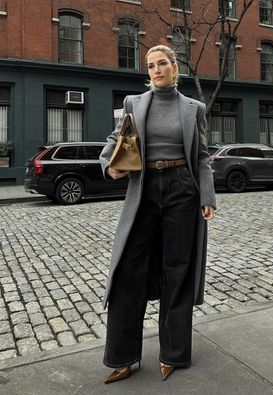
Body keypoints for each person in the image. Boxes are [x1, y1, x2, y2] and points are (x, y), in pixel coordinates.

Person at [99, 44, 216, 384]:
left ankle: (174, 353)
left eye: (162, 63)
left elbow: (203, 156)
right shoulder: (133, 103)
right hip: (145, 187)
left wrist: (207, 195)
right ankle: (122, 356)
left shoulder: (193, 108)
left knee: (177, 270)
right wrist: (109, 165)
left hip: (182, 188)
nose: (156, 70)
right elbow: (114, 140)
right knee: (127, 271)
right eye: (150, 65)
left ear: (174, 66)